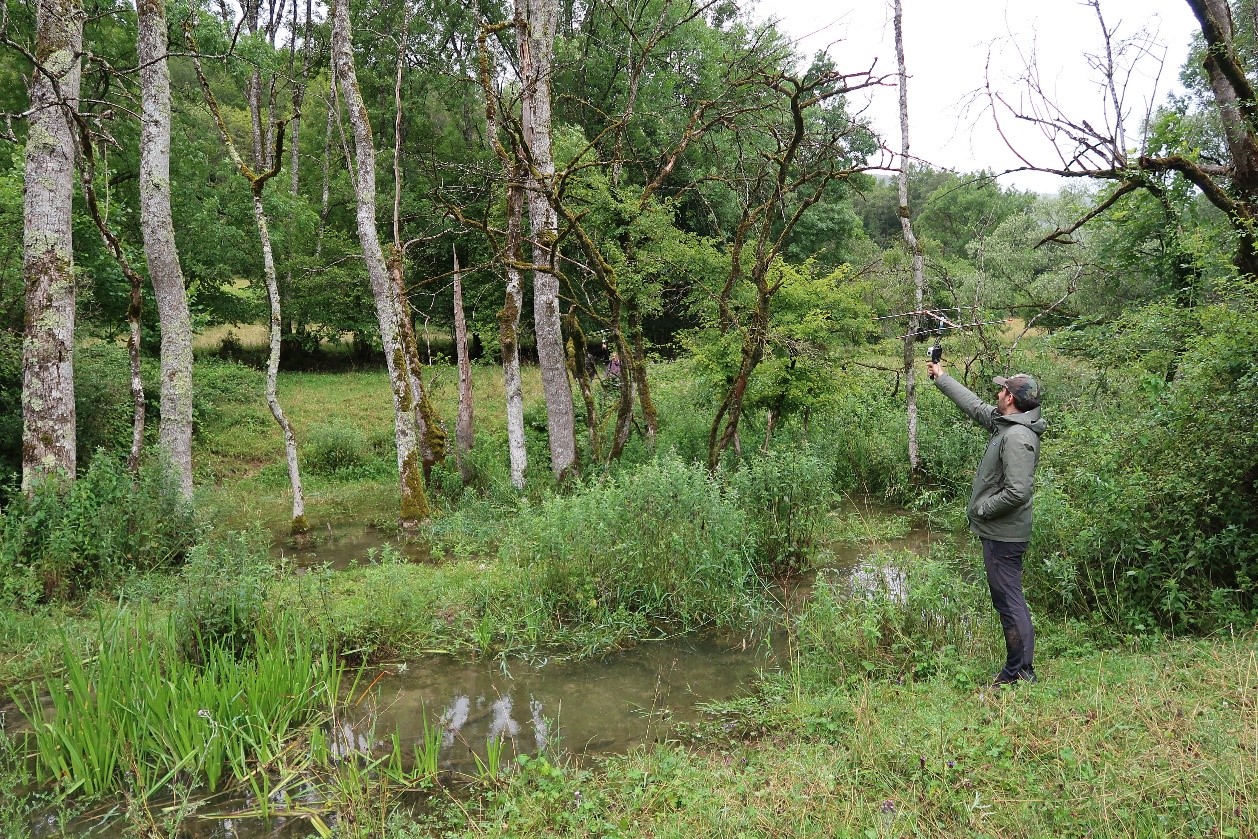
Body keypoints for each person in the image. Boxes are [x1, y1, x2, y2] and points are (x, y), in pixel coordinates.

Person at [925, 359, 1046, 686]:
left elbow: (1018, 491)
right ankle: (1020, 670)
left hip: (1005, 536)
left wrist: (981, 509)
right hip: (1001, 534)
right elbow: (976, 407)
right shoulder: (1006, 424)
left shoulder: (1017, 437)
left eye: (1002, 389)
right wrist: (942, 378)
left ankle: (1019, 673)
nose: (997, 392)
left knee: (1009, 602)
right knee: (1007, 599)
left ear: (1011, 398)